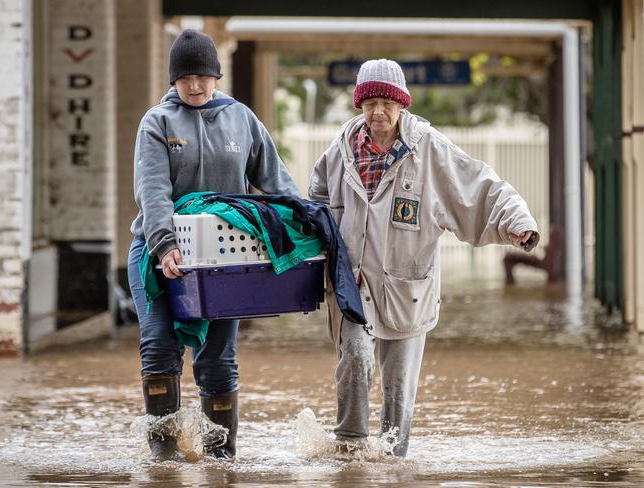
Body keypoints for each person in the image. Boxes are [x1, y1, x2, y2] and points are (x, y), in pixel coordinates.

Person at [308, 59, 540, 457]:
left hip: (407, 287)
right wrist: (321, 256)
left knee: (398, 389)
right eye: (369, 103)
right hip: (353, 284)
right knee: (356, 359)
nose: (378, 112)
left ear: (402, 105)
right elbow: (317, 203)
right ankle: (348, 454)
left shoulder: (428, 148)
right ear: (359, 105)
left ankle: (392, 462)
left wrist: (517, 223)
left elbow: (479, 186)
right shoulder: (341, 149)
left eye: (386, 102)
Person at [127, 29, 300, 460]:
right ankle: (164, 458)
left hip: (224, 258)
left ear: (216, 76)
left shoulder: (241, 118)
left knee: (218, 360)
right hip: (158, 254)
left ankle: (222, 460)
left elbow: (277, 184)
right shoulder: (157, 122)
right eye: (185, 77)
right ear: (173, 80)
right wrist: (165, 245)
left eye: (203, 76)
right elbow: (152, 192)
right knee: (159, 347)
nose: (195, 85)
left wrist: (305, 229)